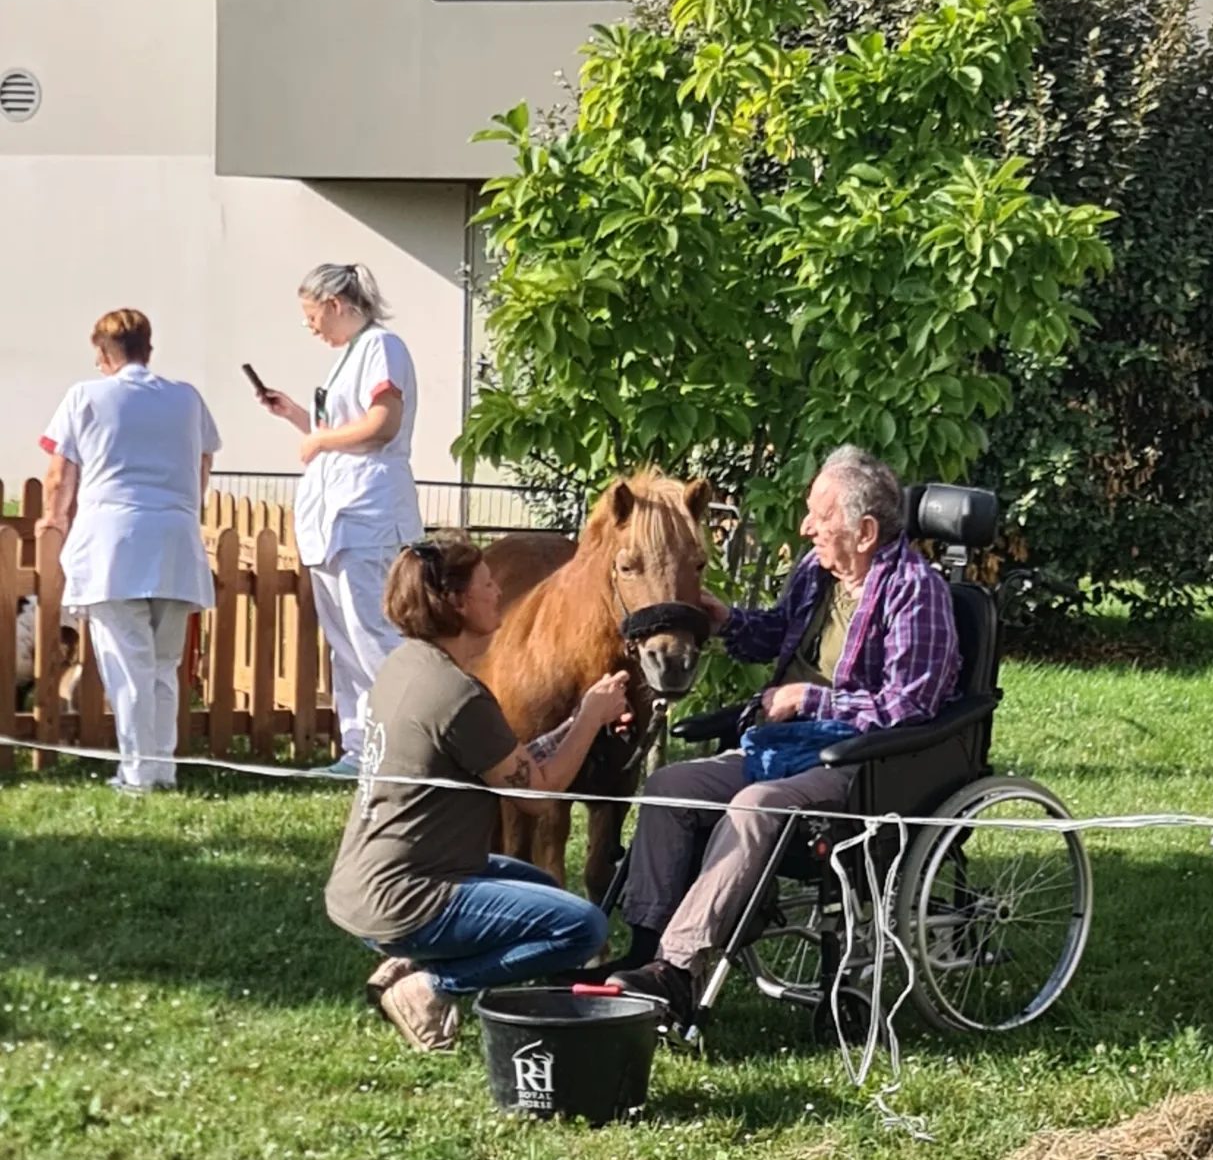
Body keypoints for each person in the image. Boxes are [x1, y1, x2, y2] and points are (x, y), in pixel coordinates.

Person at [611, 446, 960, 1025]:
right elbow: (777, 635)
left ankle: (677, 968)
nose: (806, 528)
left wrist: (810, 699)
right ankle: (646, 948)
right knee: (671, 787)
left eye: (820, 517)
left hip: (859, 764)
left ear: (865, 531)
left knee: (754, 806)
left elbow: (911, 706)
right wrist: (724, 620)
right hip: (781, 750)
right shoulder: (817, 574)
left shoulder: (915, 593)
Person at [326, 534, 631, 1054]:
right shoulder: (458, 695)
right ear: (456, 602)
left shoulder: (407, 667)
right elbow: (535, 795)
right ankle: (431, 985)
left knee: (541, 888)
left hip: (365, 883)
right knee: (581, 927)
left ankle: (420, 959)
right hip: (408, 897)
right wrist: (592, 720)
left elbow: (508, 762)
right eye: (488, 585)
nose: (499, 595)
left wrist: (582, 717)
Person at [34, 309, 221, 794]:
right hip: (176, 540)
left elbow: (60, 474)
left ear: (102, 352)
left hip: (114, 543)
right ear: (148, 349)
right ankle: (162, 770)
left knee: (128, 664)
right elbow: (203, 464)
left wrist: (54, 521)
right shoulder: (186, 399)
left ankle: (138, 775)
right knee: (162, 665)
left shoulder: (86, 396)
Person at [256, 263, 423, 776]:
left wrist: (319, 439)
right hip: (337, 518)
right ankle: (360, 750)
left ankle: (404, 750)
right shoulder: (349, 356)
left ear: (335, 304)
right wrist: (296, 418)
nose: (310, 327)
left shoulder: (381, 346)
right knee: (346, 642)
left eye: (312, 315)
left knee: (375, 633)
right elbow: (337, 431)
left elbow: (381, 423)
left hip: (368, 514)